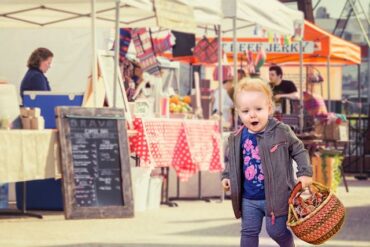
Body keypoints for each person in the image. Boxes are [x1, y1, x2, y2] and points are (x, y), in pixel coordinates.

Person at [221, 78, 312, 247]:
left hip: (277, 196)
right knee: (248, 232)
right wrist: (226, 176)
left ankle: (289, 244)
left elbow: (299, 150)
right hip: (248, 198)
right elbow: (233, 160)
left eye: (258, 109)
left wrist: (305, 173)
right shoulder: (237, 137)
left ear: (269, 108)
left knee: (275, 231)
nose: (252, 114)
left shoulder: (281, 131)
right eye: (245, 111)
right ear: (238, 113)